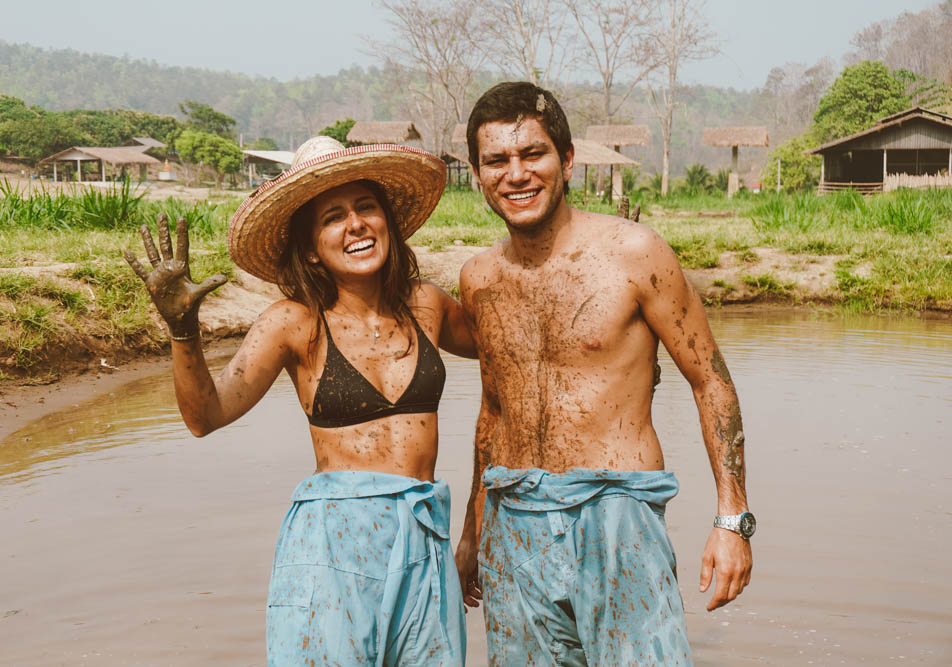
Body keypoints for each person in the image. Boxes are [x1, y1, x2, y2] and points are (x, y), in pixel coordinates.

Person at [124, 136, 474, 666]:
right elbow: (206, 416)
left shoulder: (428, 305)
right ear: (312, 247)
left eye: (366, 207)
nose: (355, 224)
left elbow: (512, 352)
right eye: (333, 216)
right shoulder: (294, 322)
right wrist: (182, 330)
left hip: (423, 539)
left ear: (387, 222)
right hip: (333, 547)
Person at [453, 82, 754, 665]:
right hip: (513, 519)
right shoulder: (479, 279)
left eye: (532, 154)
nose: (516, 174)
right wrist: (474, 529)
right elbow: (494, 409)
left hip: (618, 514)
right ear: (477, 173)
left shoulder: (635, 252)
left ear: (566, 159)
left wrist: (732, 520)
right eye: (497, 160)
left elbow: (710, 379)